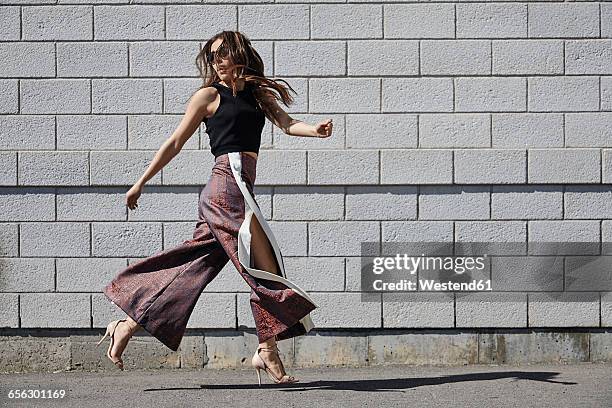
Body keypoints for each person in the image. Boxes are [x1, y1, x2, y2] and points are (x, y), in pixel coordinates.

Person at [97, 30, 333, 385]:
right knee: (262, 264)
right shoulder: (208, 96)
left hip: (240, 186)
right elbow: (175, 141)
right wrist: (140, 181)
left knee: (196, 264)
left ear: (239, 53)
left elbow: (286, 124)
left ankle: (127, 323)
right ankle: (268, 349)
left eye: (223, 54)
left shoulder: (258, 95)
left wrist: (315, 130)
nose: (218, 61)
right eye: (213, 56)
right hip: (225, 188)